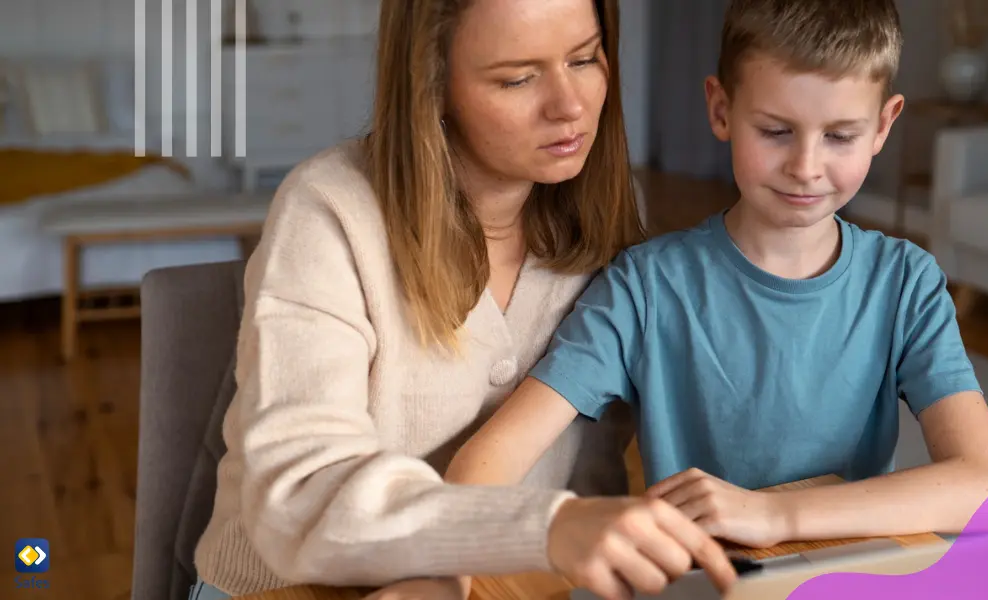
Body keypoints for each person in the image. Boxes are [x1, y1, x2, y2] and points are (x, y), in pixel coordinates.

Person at [187, 1, 738, 600]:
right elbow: (298, 492)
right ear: (432, 84)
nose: (570, 106)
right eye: (518, 78)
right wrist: (545, 527)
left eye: (585, 58)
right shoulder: (328, 210)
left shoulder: (606, 208)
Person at [446, 0, 988, 573]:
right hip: (709, 581)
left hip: (851, 579)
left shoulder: (906, 284)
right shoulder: (645, 287)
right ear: (720, 109)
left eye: (841, 136)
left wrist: (773, 517)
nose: (806, 166)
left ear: (884, 126)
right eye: (775, 131)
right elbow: (485, 464)